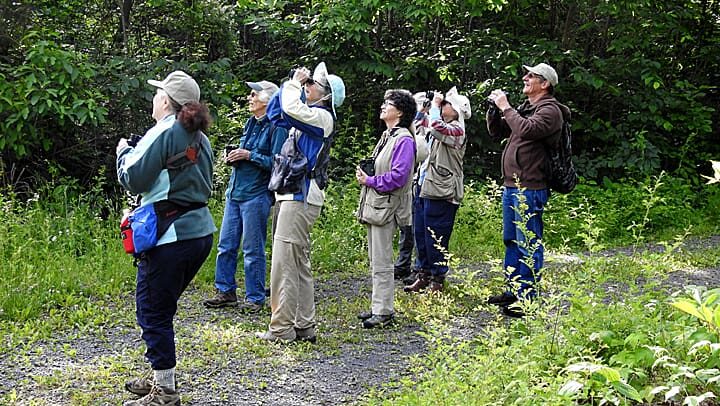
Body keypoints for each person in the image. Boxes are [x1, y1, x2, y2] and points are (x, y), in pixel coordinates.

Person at [116, 70, 215, 405]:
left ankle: (165, 392)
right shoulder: (202, 139)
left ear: (167, 101)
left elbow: (133, 178)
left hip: (170, 235)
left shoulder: (164, 131)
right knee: (162, 308)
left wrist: (121, 153)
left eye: (158, 93)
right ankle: (161, 375)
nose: (154, 98)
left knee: (152, 310)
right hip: (199, 233)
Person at [255, 62, 345, 343]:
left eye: (312, 85)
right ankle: (305, 325)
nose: (307, 87)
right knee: (298, 263)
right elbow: (276, 112)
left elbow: (292, 108)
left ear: (326, 95)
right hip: (295, 195)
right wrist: (291, 86)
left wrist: (295, 82)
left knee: (284, 264)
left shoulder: (322, 118)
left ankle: (281, 329)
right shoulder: (311, 115)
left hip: (301, 196)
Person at [485, 63, 571, 318]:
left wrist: (505, 107)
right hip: (513, 185)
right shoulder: (527, 108)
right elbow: (498, 130)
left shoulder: (551, 111)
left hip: (531, 188)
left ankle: (527, 299)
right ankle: (513, 292)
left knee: (528, 243)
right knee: (511, 241)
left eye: (531, 75)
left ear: (545, 84)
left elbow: (527, 129)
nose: (525, 77)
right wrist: (493, 111)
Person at [203, 80, 288, 313]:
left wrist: (250, 155)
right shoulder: (251, 122)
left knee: (252, 248)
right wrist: (234, 156)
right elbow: (246, 154)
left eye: (254, 94)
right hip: (235, 192)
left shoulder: (277, 127)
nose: (250, 98)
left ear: (268, 100)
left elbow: (278, 163)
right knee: (226, 245)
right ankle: (225, 291)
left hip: (257, 194)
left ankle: (255, 297)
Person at [355, 89, 417, 328]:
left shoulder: (404, 140)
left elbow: (399, 177)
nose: (382, 106)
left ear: (399, 112)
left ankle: (384, 311)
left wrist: (370, 181)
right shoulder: (389, 136)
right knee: (375, 259)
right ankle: (377, 306)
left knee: (382, 260)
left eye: (387, 104)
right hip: (377, 205)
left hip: (387, 207)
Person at [404, 87, 471, 294]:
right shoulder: (438, 125)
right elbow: (417, 126)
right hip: (425, 185)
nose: (442, 106)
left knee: (437, 235)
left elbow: (435, 126)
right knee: (421, 233)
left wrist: (434, 106)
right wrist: (422, 108)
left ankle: (437, 279)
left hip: (443, 191)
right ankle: (423, 274)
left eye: (446, 104)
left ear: (458, 110)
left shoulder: (458, 130)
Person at [394, 92, 430, 283]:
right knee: (406, 227)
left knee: (414, 227)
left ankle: (415, 267)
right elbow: (410, 127)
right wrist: (420, 112)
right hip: (413, 179)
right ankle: (404, 264)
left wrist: (428, 113)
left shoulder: (433, 121)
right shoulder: (408, 127)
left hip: (421, 181)